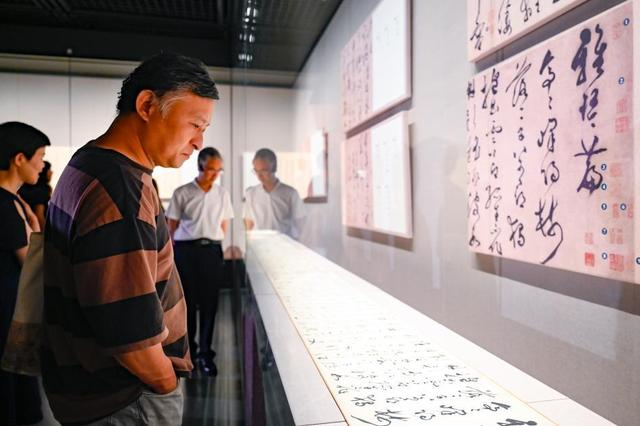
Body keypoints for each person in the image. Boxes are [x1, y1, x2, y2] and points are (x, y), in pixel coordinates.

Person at [42, 52, 219, 425]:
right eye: (195, 124)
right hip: (125, 398)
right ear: (147, 105)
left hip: (92, 387)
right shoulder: (121, 189)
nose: (199, 142)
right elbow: (129, 333)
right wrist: (165, 382)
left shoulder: (89, 161)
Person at [166, 147, 233, 376]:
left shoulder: (222, 194)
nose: (215, 174)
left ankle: (206, 354)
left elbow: (224, 225)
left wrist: (213, 241)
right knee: (188, 304)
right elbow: (171, 227)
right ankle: (190, 353)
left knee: (209, 304)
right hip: (186, 252)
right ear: (200, 166)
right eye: (211, 169)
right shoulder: (182, 192)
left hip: (211, 251)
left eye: (218, 170)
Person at [0, 121, 49, 425]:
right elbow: (31, 263)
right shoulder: (4, 205)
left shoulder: (14, 201)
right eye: (40, 156)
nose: (43, 165)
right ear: (20, 158)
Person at [243, 148, 305, 239]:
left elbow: (301, 225)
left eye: (263, 171)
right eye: (256, 171)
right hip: (259, 244)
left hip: (284, 243)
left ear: (274, 168)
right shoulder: (250, 194)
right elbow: (249, 225)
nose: (259, 176)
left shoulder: (291, 194)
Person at [18, 160, 52, 230]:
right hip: (35, 228)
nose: (51, 172)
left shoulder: (24, 187)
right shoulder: (42, 190)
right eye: (49, 169)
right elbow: (39, 216)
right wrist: (44, 234)